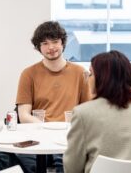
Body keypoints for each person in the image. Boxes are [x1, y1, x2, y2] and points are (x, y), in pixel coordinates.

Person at [16, 21, 92, 172]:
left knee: (66, 164)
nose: (51, 47)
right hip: (38, 136)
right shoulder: (28, 74)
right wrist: (45, 130)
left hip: (68, 137)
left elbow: (88, 111)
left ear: (63, 43)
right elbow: (23, 115)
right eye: (45, 43)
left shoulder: (80, 73)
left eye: (55, 42)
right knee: (18, 162)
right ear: (38, 47)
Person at [63, 50, 131, 173]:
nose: (88, 79)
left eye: (91, 74)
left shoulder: (83, 113)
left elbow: (72, 168)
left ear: (102, 78)